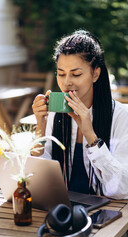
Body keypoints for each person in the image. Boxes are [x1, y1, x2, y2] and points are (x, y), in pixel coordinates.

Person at [32, 29, 128, 199]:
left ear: (95, 74)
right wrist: (40, 126)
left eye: (76, 74)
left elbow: (122, 188)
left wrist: (90, 135)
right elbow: (34, 179)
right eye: (61, 74)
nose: (67, 82)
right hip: (61, 208)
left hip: (108, 211)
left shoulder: (121, 117)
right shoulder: (56, 114)